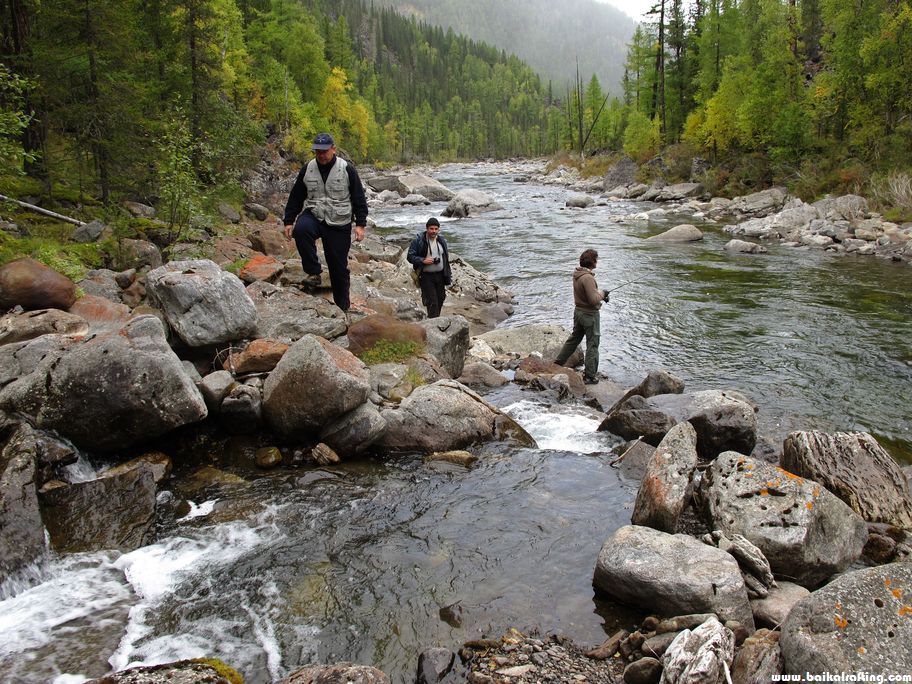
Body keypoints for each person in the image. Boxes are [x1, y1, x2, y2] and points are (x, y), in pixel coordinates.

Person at [282, 132, 368, 312]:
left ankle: (342, 307)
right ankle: (314, 272)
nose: (321, 155)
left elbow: (358, 197)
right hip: (315, 214)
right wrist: (289, 220)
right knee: (301, 229)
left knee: (338, 268)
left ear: (333, 149)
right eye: (317, 151)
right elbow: (297, 195)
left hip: (339, 222)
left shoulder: (347, 169)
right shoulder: (308, 168)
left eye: (324, 151)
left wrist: (360, 224)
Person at [554, 248, 609, 385]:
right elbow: (592, 299)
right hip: (590, 316)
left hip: (578, 312)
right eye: (596, 259)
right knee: (593, 344)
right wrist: (602, 293)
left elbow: (589, 295)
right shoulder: (588, 278)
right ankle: (590, 375)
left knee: (574, 339)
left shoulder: (577, 274)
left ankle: (558, 362)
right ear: (593, 261)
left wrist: (601, 296)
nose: (597, 261)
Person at [407, 217, 452, 318]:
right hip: (426, 276)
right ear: (427, 229)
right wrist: (423, 260)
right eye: (431, 229)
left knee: (441, 298)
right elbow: (410, 257)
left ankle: (435, 319)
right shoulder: (418, 241)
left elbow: (445, 258)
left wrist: (447, 274)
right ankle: (433, 322)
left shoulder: (441, 241)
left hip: (440, 275)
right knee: (432, 302)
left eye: (436, 229)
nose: (434, 231)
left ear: (438, 229)